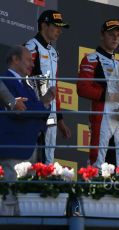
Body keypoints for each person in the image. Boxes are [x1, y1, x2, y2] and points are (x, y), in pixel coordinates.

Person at [0, 46, 55, 180]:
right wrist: (43, 103)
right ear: (15, 59)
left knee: (26, 197)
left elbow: (37, 111)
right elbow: (21, 110)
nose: (32, 64)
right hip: (13, 150)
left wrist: (45, 102)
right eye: (28, 60)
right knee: (11, 195)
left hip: (31, 150)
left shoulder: (27, 85)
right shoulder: (5, 80)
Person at [24, 9, 71, 164]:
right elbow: (25, 79)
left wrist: (60, 118)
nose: (59, 31)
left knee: (49, 152)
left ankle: (47, 184)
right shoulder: (31, 47)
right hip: (35, 110)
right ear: (44, 25)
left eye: (61, 27)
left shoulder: (53, 52)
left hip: (51, 113)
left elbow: (53, 85)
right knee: (34, 152)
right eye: (56, 26)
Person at [77, 19, 119, 169]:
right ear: (102, 35)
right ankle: (93, 191)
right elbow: (82, 88)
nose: (115, 38)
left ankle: (116, 190)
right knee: (98, 160)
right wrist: (110, 96)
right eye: (111, 34)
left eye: (118, 35)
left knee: (118, 162)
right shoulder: (91, 59)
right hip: (101, 115)